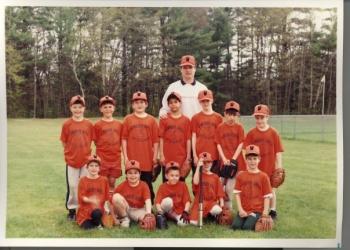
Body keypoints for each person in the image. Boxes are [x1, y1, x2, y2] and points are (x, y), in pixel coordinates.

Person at [243, 104, 284, 220]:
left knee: (271, 191)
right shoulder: (251, 133)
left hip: (270, 167)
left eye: (262, 117)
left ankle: (273, 210)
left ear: (267, 117)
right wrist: (248, 166)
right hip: (255, 167)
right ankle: (257, 208)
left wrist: (279, 168)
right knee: (256, 189)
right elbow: (246, 150)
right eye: (257, 117)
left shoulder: (273, 133)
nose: (259, 120)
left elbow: (278, 152)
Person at [60, 95, 93, 221]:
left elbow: (91, 140)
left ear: (84, 108)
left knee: (85, 185)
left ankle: (86, 208)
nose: (77, 109)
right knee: (73, 185)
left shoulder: (89, 124)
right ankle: (72, 210)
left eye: (80, 107)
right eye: (75, 107)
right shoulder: (67, 124)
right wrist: (70, 152)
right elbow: (64, 141)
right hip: (72, 161)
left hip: (86, 161)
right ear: (70, 108)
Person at [121, 91, 159, 202]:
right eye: (136, 102)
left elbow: (156, 141)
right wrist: (126, 158)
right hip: (132, 159)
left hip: (147, 159)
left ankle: (148, 205)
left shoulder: (152, 120)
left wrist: (155, 157)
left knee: (147, 183)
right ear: (132, 105)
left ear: (146, 104)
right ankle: (132, 203)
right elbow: (124, 139)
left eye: (142, 102)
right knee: (132, 182)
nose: (139, 104)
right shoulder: (128, 119)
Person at [232, 145, 273, 231]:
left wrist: (265, 213)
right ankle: (245, 218)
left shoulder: (263, 176)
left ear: (259, 159)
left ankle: (254, 219)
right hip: (244, 209)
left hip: (256, 210)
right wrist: (240, 210)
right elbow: (237, 194)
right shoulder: (241, 175)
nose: (252, 161)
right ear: (246, 160)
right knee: (236, 226)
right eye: (249, 159)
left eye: (255, 159)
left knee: (246, 227)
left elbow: (267, 197)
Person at [215, 100, 245, 208]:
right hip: (224, 162)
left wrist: (233, 159)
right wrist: (223, 158)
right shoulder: (220, 127)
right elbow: (218, 144)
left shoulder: (239, 127)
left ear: (237, 115)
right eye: (229, 114)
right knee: (220, 186)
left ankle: (228, 210)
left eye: (234, 115)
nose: (231, 117)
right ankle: (219, 208)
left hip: (235, 163)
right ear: (225, 114)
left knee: (229, 188)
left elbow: (241, 144)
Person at [159, 55, 207, 120]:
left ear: (195, 69)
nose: (187, 70)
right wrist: (162, 112)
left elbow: (207, 109)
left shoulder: (202, 88)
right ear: (181, 70)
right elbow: (165, 107)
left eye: (190, 67)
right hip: (178, 126)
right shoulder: (172, 87)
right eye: (185, 67)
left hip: (196, 127)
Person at [159, 91, 191, 182]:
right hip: (167, 156)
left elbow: (188, 140)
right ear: (168, 105)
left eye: (176, 102)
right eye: (171, 103)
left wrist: (188, 158)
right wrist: (161, 155)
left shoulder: (186, 120)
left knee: (180, 183)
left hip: (181, 157)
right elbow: (161, 137)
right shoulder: (164, 119)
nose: (173, 105)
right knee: (166, 182)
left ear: (180, 103)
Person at [94, 96, 123, 195]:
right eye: (105, 107)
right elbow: (96, 141)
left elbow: (121, 141)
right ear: (101, 109)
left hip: (115, 157)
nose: (107, 109)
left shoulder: (119, 124)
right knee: (102, 181)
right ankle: (102, 204)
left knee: (112, 181)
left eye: (110, 106)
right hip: (102, 157)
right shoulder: (97, 125)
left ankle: (111, 204)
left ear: (114, 108)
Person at [111, 160, 153, 228]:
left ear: (140, 174)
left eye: (135, 173)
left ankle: (134, 219)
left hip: (138, 210)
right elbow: (111, 201)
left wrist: (148, 214)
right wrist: (113, 217)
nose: (133, 176)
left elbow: (148, 201)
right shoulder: (122, 186)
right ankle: (125, 219)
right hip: (125, 209)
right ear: (126, 175)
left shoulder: (144, 185)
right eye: (130, 173)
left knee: (146, 219)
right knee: (116, 197)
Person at [191, 90, 223, 175]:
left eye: (207, 100)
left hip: (214, 155)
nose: (205, 103)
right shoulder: (195, 118)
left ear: (212, 100)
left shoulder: (218, 117)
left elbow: (221, 138)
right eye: (203, 101)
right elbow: (193, 137)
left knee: (213, 182)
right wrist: (194, 155)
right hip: (200, 154)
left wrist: (220, 156)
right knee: (199, 183)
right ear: (199, 102)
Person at [189, 152, 224, 225]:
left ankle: (209, 215)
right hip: (200, 202)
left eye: (208, 162)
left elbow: (220, 192)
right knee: (193, 222)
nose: (206, 164)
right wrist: (198, 167)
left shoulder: (215, 177)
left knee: (217, 210)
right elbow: (195, 182)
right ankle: (204, 215)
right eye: (204, 163)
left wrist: (222, 205)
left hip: (211, 202)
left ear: (211, 163)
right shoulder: (199, 175)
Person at [77, 155, 110, 230]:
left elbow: (107, 197)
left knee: (97, 213)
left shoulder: (104, 180)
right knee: (87, 227)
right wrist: (91, 200)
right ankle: (97, 224)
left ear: (99, 168)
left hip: (98, 209)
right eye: (91, 165)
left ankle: (98, 222)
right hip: (86, 210)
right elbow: (81, 197)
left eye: (96, 166)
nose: (94, 168)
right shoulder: (83, 180)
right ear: (87, 167)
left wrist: (108, 210)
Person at [155, 161, 191, 226]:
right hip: (166, 209)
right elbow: (157, 202)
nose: (174, 178)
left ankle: (172, 218)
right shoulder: (162, 186)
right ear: (166, 176)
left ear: (180, 176)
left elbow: (187, 201)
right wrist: (160, 212)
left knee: (183, 223)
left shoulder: (183, 185)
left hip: (178, 211)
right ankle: (163, 216)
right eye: (172, 175)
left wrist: (185, 211)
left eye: (177, 175)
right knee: (168, 201)